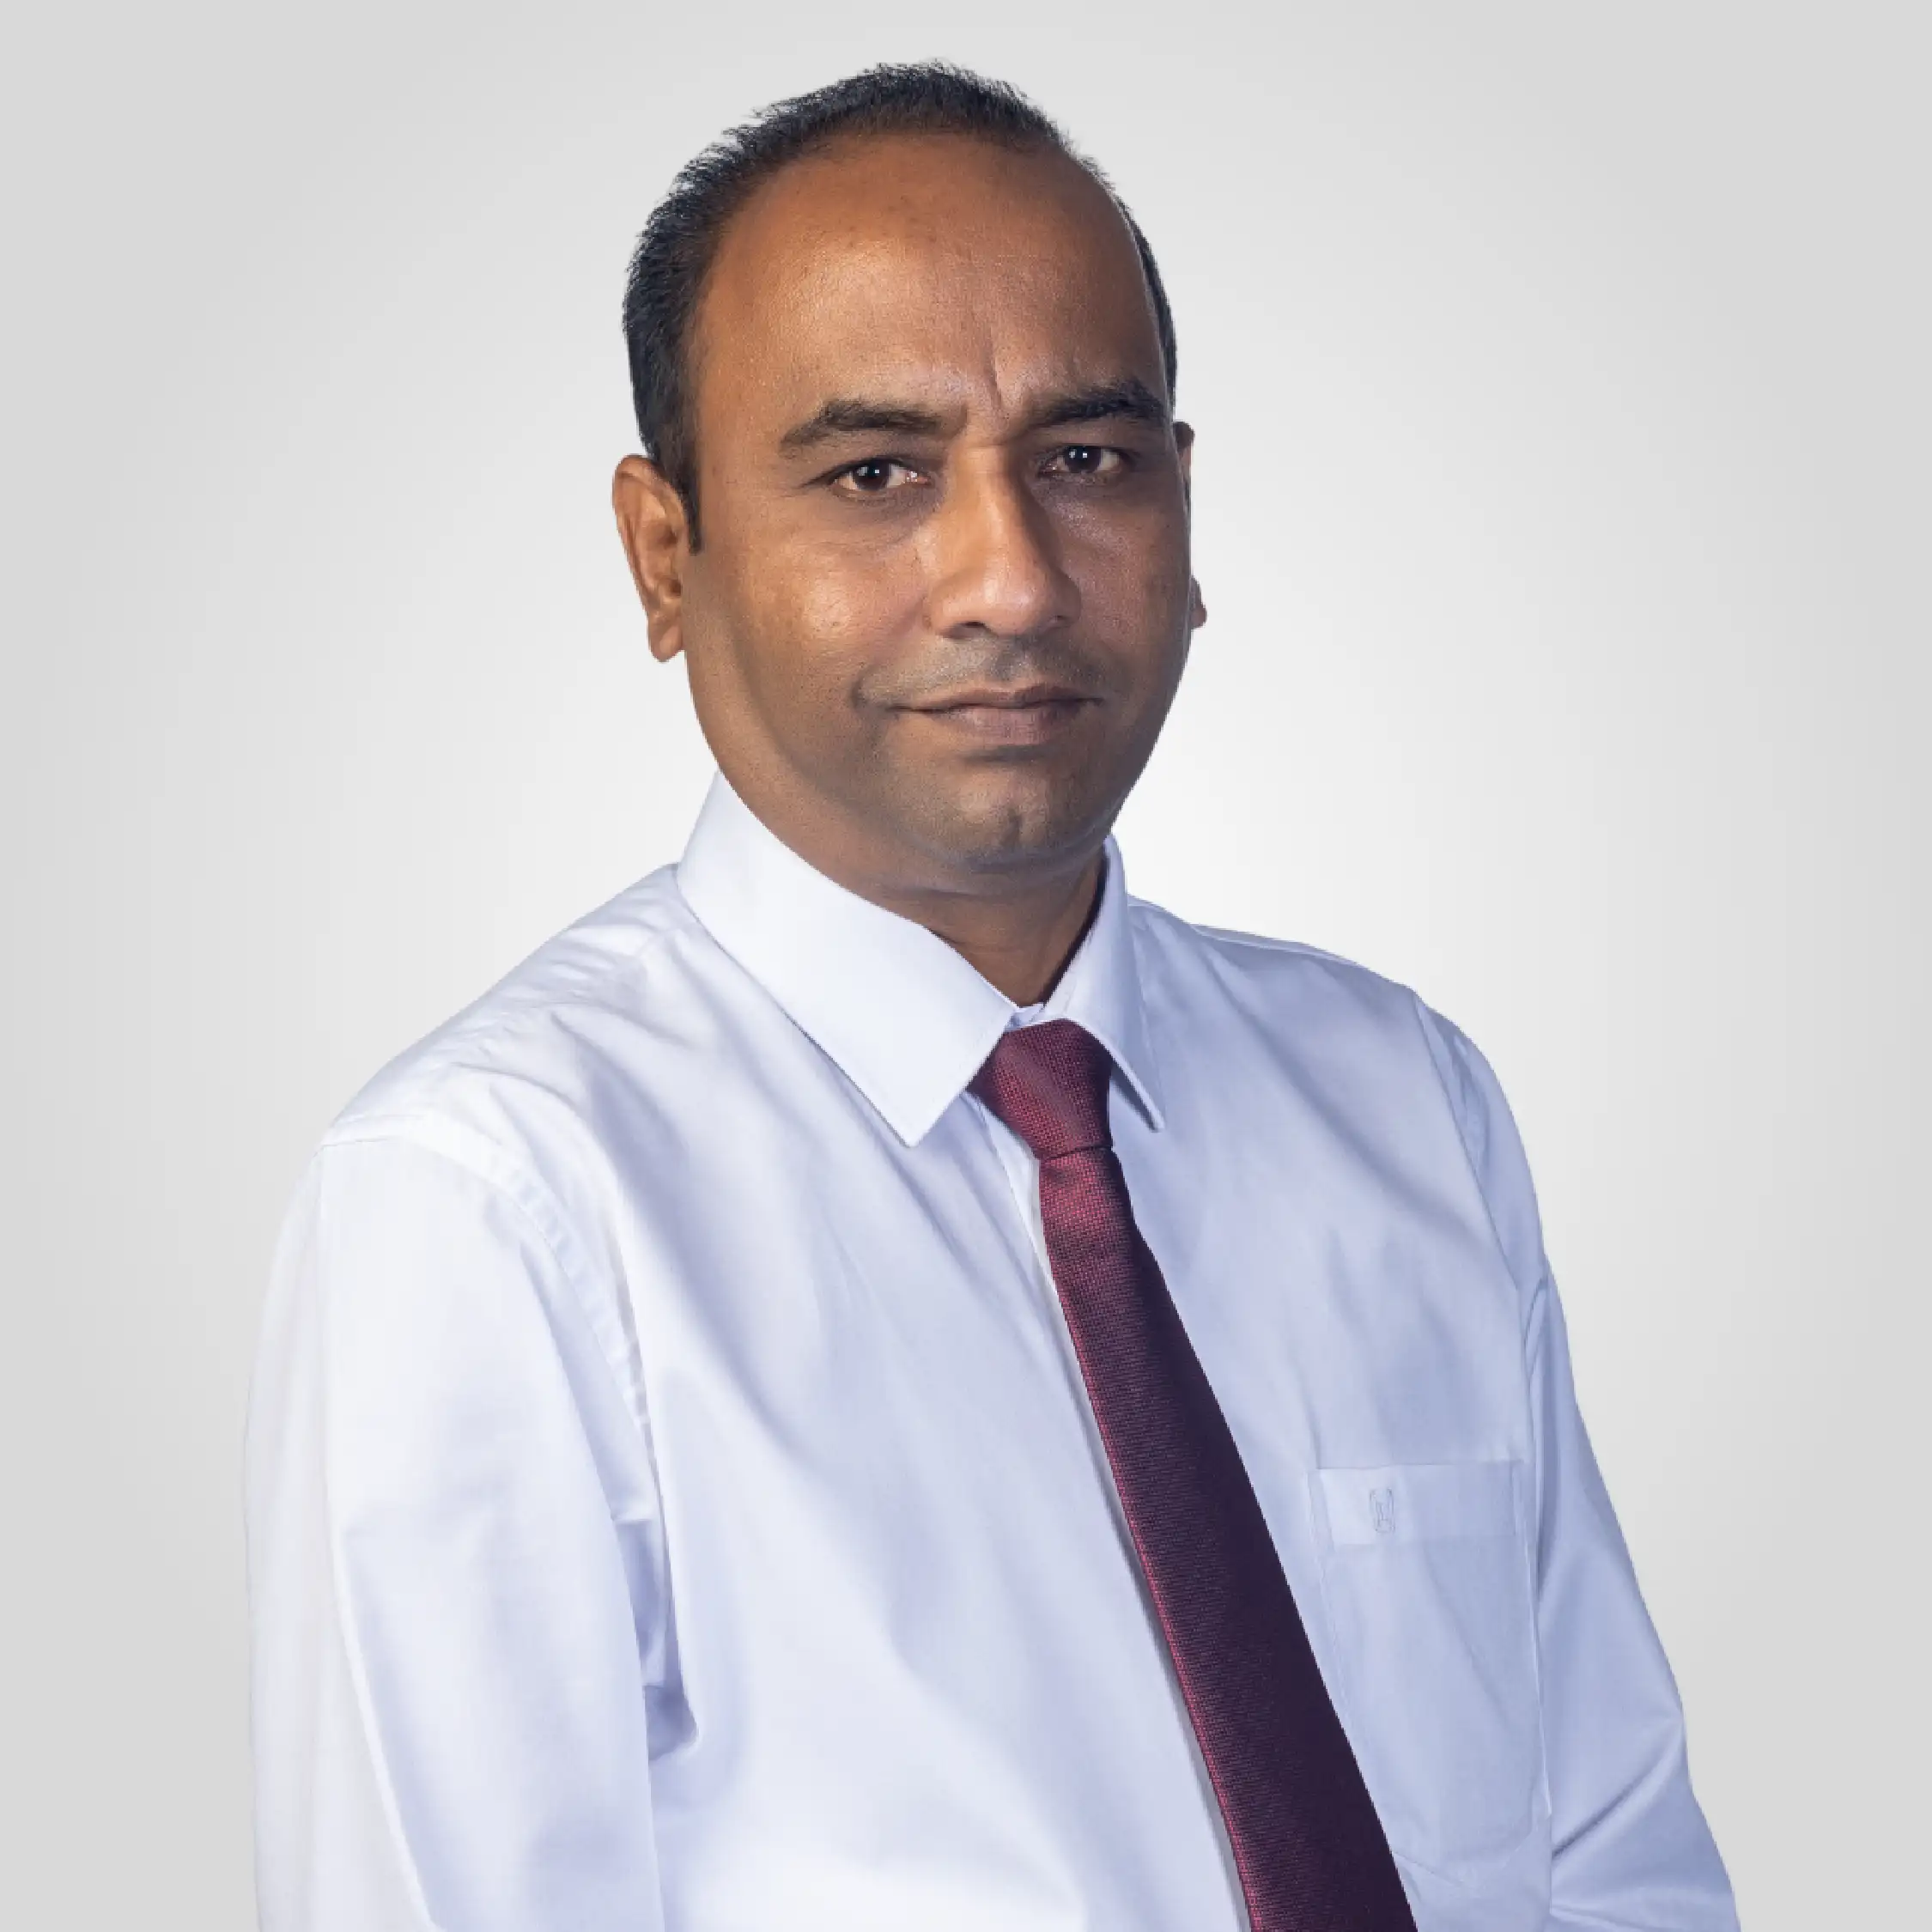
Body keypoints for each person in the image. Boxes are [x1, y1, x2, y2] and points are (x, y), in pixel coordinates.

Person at [246, 62, 1737, 1932]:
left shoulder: (1401, 1100)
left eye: (1085, 461)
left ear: (1183, 511)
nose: (1010, 581)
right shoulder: (498, 1203)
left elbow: (1610, 1858)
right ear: (665, 554)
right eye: (875, 475)